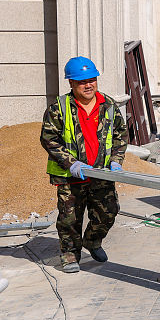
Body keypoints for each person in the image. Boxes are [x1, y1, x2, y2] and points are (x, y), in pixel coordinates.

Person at [40, 56, 128, 273]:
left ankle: (92, 241)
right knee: (70, 218)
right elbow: (48, 139)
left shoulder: (107, 105)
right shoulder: (59, 108)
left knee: (108, 212)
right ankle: (70, 254)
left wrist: (116, 161)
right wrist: (71, 164)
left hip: (101, 174)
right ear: (71, 83)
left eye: (92, 79)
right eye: (81, 81)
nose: (88, 85)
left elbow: (120, 135)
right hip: (71, 175)